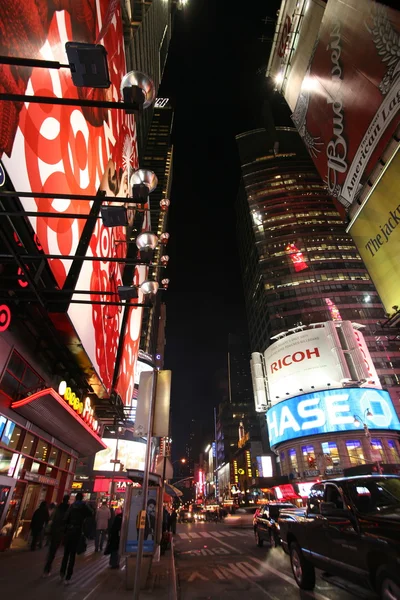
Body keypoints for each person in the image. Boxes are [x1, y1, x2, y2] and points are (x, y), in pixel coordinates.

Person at [60, 492, 92, 585]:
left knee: (66, 553)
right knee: (72, 555)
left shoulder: (72, 506)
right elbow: (91, 513)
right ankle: (68, 576)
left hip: (69, 531)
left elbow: (65, 518)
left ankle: (62, 572)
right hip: (77, 532)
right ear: (82, 498)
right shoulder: (83, 506)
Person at [43, 495, 70, 576]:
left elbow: (51, 519)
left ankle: (47, 569)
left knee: (52, 551)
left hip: (55, 531)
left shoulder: (57, 509)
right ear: (68, 500)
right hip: (65, 533)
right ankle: (62, 572)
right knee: (66, 553)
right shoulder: (69, 509)